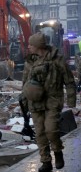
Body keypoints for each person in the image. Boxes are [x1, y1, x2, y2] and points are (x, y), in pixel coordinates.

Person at [22, 32, 76, 172]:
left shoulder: (57, 60)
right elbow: (25, 82)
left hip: (53, 100)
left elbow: (69, 81)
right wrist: (24, 99)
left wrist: (71, 101)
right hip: (35, 103)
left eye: (31, 45)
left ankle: (58, 152)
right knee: (39, 133)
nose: (28, 47)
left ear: (38, 46)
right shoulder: (30, 61)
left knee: (51, 130)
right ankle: (46, 161)